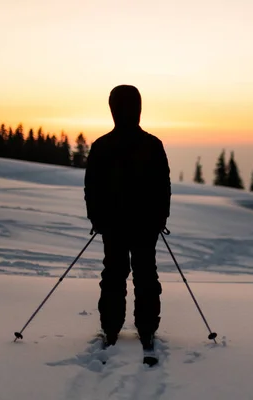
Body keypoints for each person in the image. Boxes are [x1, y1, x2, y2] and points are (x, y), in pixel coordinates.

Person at [84, 85, 171, 359]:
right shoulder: (152, 145)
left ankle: (111, 328)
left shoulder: (101, 146)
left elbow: (92, 189)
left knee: (114, 273)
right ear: (138, 108)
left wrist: (96, 218)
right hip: (144, 225)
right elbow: (163, 187)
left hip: (113, 224)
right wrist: (160, 218)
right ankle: (146, 329)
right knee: (144, 274)